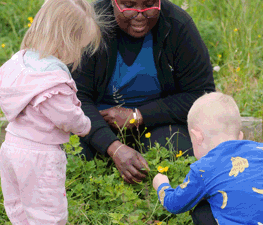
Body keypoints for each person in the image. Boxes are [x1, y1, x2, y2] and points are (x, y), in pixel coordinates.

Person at [71, 0, 215, 183]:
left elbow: (201, 94)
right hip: (96, 123)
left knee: (180, 150)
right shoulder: (90, 23)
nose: (140, 14)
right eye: (129, 5)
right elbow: (76, 96)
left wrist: (138, 115)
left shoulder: (177, 25)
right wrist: (112, 146)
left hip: (156, 124)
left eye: (149, 4)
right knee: (70, 154)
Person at [0, 0, 102, 224]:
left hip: (11, 145)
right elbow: (66, 117)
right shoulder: (52, 81)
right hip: (39, 155)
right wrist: (84, 124)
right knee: (48, 213)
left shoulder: (22, 60)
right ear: (66, 43)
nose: (79, 55)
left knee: (18, 206)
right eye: (80, 48)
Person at [153, 92, 263, 225]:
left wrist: (162, 185)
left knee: (202, 212)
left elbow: (175, 204)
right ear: (240, 136)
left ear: (198, 137)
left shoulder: (202, 169)